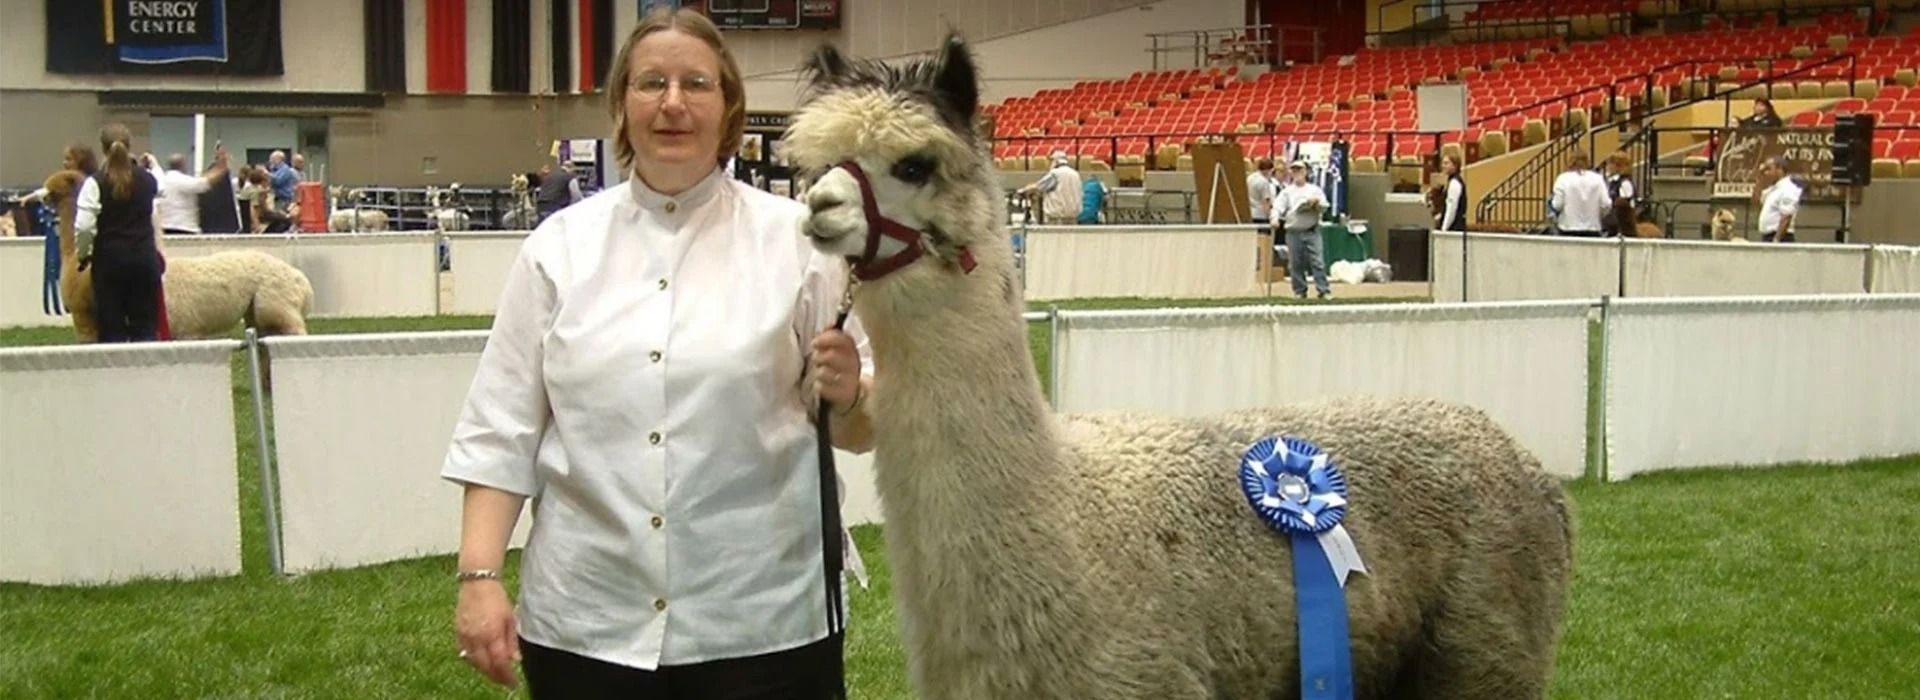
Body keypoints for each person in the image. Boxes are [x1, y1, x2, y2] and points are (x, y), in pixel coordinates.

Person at [442, 8, 874, 698]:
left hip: (764, 626)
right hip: (587, 626)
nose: (673, 103)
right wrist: (479, 578)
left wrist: (852, 393)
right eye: (651, 84)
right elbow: (502, 430)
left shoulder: (800, 244)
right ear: (622, 104)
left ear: (729, 107)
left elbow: (859, 428)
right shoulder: (559, 250)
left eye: (696, 84)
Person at [72, 124, 164, 342]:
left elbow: (84, 226)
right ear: (130, 146)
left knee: (111, 328)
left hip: (109, 264)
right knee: (145, 327)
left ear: (103, 149)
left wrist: (83, 253)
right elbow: (163, 186)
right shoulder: (148, 179)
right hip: (144, 260)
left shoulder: (94, 183)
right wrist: (154, 165)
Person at [1272, 160, 1331, 299]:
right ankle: (1299, 291)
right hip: (1294, 231)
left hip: (1312, 230)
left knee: (1318, 261)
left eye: (1300, 170)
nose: (1297, 173)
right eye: (1294, 170)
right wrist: (1274, 218)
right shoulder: (1287, 192)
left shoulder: (1315, 190)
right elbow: (1278, 207)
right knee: (1295, 263)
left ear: (1305, 172)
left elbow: (1324, 205)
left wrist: (1315, 204)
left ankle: (1323, 290)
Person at [146, 151, 230, 235]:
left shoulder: (163, 180)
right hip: (183, 229)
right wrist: (221, 169)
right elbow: (202, 184)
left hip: (165, 227)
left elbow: (198, 181)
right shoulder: (179, 179)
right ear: (182, 165)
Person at [1548, 151, 1608, 237]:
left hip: (1568, 227)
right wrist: (1599, 215)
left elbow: (1557, 204)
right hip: (1593, 228)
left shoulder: (1563, 178)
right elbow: (1606, 203)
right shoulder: (1598, 178)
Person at [1017, 150, 1083, 224]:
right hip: (1073, 217)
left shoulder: (1055, 174)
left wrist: (1023, 191)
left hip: (1057, 217)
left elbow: (1039, 187)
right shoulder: (1075, 174)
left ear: (1055, 161)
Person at [1756, 155, 1800, 243]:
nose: (1766, 173)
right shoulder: (1773, 189)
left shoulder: (1788, 188)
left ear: (1779, 170)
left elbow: (1786, 217)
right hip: (1768, 236)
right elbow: (1756, 201)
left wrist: (1776, 240)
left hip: (1781, 237)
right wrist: (1760, 178)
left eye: (1768, 169)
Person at [1602, 152, 1638, 237]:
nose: (1608, 168)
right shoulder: (1612, 181)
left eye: (1610, 164)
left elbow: (1625, 205)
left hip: (1620, 222)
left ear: (1618, 166)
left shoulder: (1624, 182)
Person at [1434, 154, 1467, 232]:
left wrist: (1444, 229)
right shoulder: (1451, 181)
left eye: (1446, 163)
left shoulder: (1454, 183)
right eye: (1443, 163)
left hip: (1454, 228)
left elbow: (1452, 208)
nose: (1443, 166)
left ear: (1455, 166)